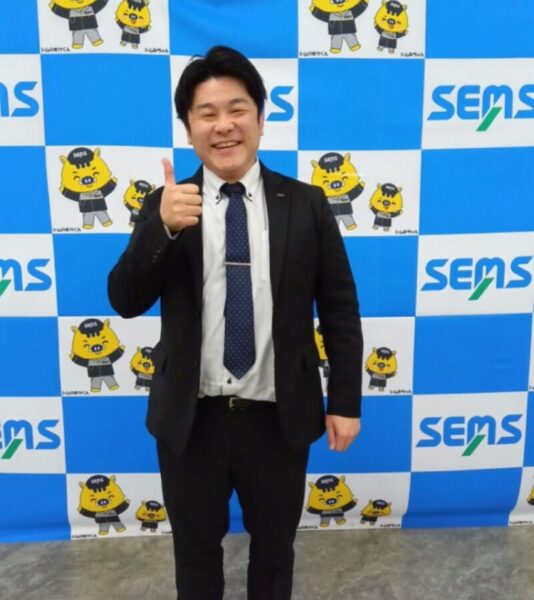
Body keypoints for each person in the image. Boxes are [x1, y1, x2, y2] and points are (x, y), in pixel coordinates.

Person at [108, 45, 363, 600]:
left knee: (274, 556)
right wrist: (162, 229)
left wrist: (345, 400)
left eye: (237, 109)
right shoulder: (168, 204)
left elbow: (340, 309)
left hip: (278, 418)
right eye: (207, 113)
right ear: (189, 128)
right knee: (195, 557)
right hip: (191, 420)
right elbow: (124, 300)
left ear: (261, 118)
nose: (223, 125)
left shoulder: (307, 203)